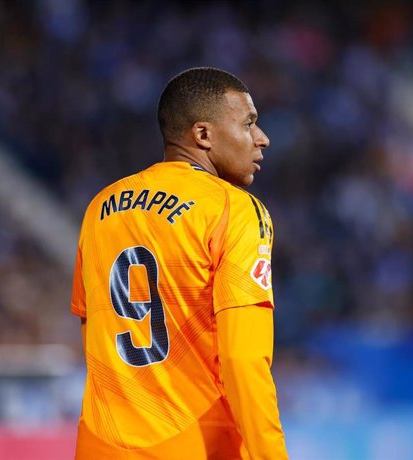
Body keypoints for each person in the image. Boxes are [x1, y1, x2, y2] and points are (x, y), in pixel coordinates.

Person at [70, 67, 288, 459]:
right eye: (249, 123)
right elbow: (244, 358)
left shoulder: (100, 208)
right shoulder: (233, 210)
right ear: (203, 135)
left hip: (101, 446)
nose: (262, 138)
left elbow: (93, 333)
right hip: (197, 443)